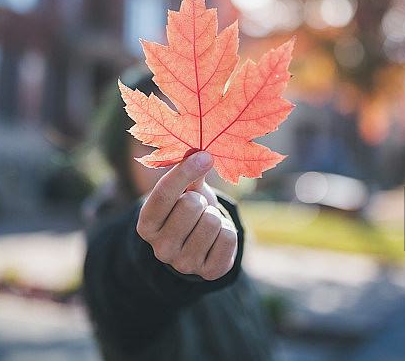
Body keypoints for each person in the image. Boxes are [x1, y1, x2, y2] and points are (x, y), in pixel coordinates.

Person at [82, 67, 276, 361]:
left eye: (195, 144)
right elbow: (133, 266)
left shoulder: (219, 226)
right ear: (121, 153)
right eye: (156, 141)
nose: (183, 161)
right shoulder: (110, 244)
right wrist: (163, 258)